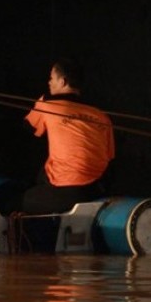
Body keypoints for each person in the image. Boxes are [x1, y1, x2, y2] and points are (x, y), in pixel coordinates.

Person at [21, 58, 115, 214]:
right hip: (96, 190)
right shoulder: (101, 115)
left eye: (51, 78)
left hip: (67, 190)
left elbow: (26, 130)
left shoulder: (47, 104)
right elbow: (109, 157)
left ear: (63, 81)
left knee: (15, 201)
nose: (49, 82)